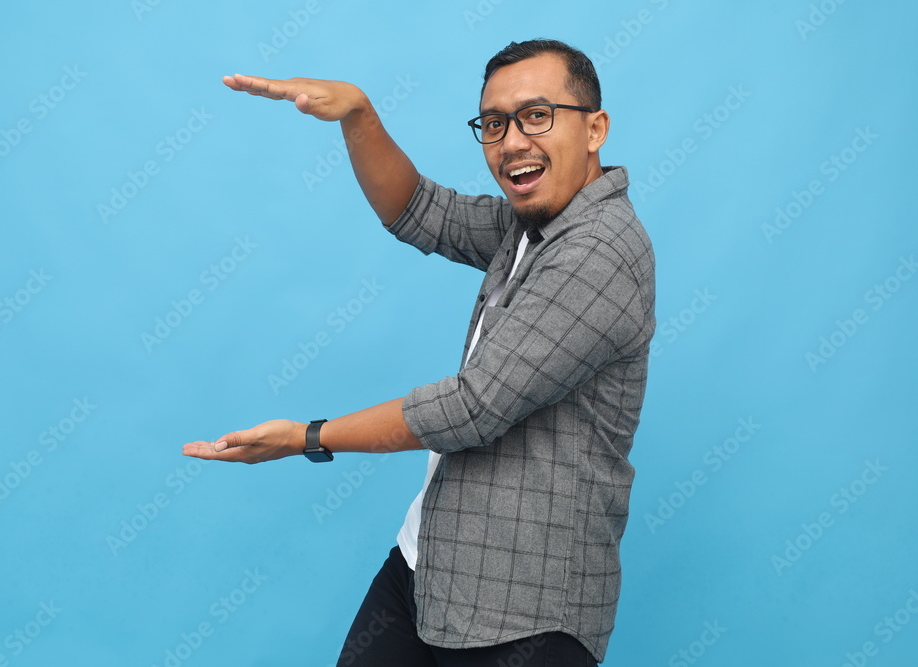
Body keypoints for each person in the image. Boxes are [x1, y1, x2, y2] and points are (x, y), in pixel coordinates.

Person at [183, 39, 655, 666]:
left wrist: (307, 437)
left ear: (595, 128)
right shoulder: (534, 225)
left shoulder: (598, 252)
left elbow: (472, 408)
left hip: (522, 608)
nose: (513, 141)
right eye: (494, 124)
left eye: (537, 116)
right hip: (429, 562)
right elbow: (419, 210)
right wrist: (359, 115)